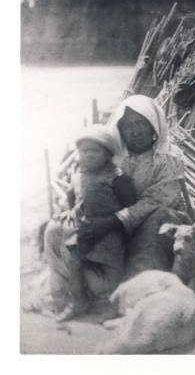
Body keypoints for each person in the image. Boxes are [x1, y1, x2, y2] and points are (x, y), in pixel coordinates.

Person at [44, 95, 191, 319]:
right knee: (55, 229)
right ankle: (76, 293)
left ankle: (134, 294)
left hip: (152, 226)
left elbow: (155, 201)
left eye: (141, 122)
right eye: (128, 125)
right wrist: (77, 212)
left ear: (154, 123)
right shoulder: (113, 158)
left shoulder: (168, 159)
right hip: (114, 227)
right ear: (120, 129)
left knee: (159, 219)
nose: (135, 131)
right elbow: (89, 188)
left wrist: (112, 221)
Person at [44, 125, 132, 321]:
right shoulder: (78, 176)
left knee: (113, 267)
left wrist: (115, 222)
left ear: (108, 154)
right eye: (84, 151)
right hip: (83, 229)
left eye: (95, 151)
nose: (89, 155)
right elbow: (73, 199)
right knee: (74, 263)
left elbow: (130, 205)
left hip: (110, 231)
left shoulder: (117, 178)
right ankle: (78, 300)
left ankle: (115, 306)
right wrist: (69, 210)